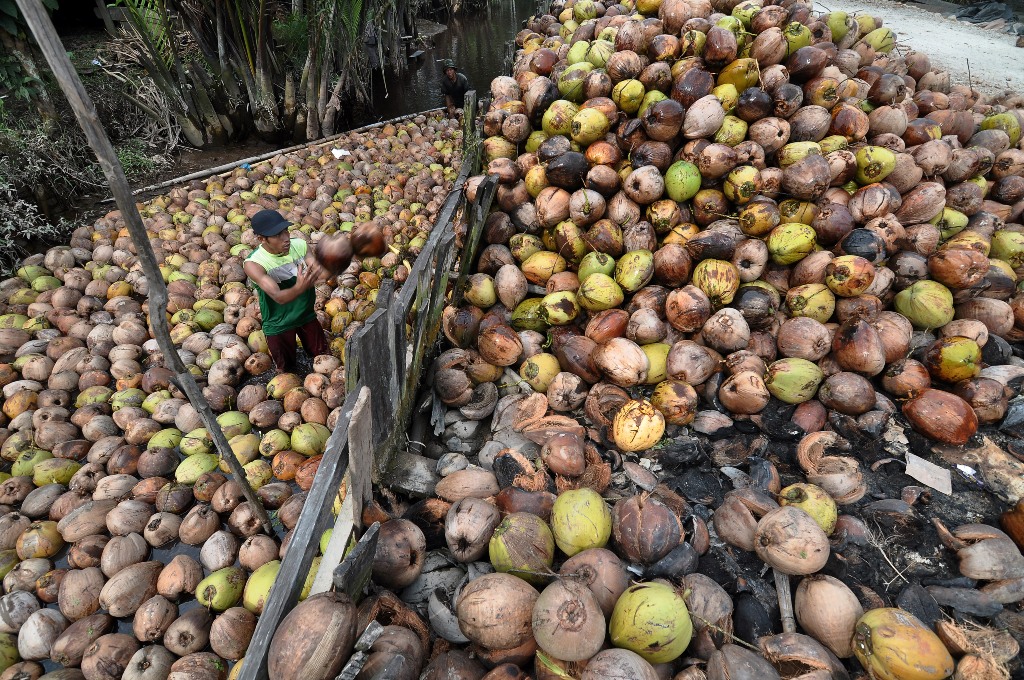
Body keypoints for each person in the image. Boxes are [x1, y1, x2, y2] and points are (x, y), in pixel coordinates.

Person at [243, 209, 331, 373]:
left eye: (286, 231)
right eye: (277, 235)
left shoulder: (300, 245)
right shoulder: (254, 264)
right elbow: (279, 297)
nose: (286, 238)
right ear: (262, 239)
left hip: (306, 314)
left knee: (325, 358)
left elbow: (321, 273)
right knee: (286, 371)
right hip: (278, 322)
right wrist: (300, 287)